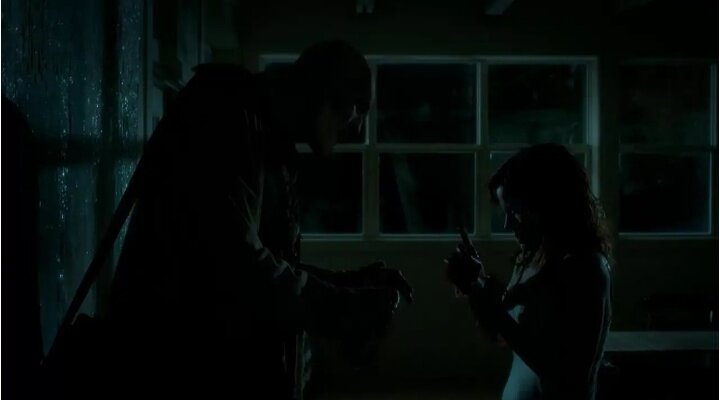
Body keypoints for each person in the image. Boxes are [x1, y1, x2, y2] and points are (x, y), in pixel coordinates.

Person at [106, 41, 413, 399]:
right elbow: (236, 268)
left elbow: (265, 261)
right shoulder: (226, 116)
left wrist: (349, 285)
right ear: (324, 92)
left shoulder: (263, 135)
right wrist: (346, 306)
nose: (358, 128)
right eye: (358, 106)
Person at [445, 143, 612, 400]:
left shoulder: (586, 269)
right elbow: (505, 336)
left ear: (546, 204)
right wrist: (474, 287)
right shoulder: (531, 260)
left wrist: (492, 307)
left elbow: (564, 373)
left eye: (515, 211)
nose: (507, 224)